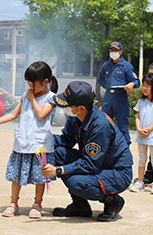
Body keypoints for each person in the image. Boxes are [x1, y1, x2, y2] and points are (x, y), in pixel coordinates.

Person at [41, 81, 133, 222]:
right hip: (97, 164)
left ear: (80, 107)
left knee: (76, 181)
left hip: (117, 172)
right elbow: (67, 140)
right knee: (59, 153)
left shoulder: (100, 126)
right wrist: (41, 139)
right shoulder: (75, 117)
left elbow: (90, 164)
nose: (65, 107)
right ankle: (80, 206)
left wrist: (59, 170)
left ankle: (112, 201)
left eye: (68, 104)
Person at [0, 61, 58, 219]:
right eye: (28, 82)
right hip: (22, 143)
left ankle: (37, 204)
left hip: (40, 144)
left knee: (39, 176)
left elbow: (42, 115)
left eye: (33, 82)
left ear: (45, 82)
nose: (30, 85)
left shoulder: (51, 97)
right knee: (16, 175)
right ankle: (13, 203)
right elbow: (13, 114)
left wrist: (33, 99)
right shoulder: (26, 95)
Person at [129, 73, 153, 195]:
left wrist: (148, 129)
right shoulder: (141, 102)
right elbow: (138, 116)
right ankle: (140, 181)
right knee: (141, 158)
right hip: (142, 135)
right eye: (143, 85)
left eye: (147, 86)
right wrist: (139, 129)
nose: (144, 88)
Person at [97, 41, 140, 145]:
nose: (113, 52)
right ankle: (106, 148)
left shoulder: (126, 66)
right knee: (105, 123)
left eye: (116, 50)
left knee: (122, 126)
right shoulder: (106, 65)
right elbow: (100, 78)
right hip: (108, 97)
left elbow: (137, 81)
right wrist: (107, 86)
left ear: (121, 51)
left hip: (120, 96)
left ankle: (125, 151)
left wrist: (131, 85)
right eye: (111, 50)